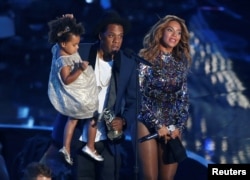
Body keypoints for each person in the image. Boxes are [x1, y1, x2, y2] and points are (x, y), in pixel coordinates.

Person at [43, 10, 138, 180]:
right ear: (101, 35)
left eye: (121, 36)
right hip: (80, 138)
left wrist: (123, 120)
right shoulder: (82, 52)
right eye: (111, 36)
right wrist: (65, 27)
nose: (117, 41)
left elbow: (133, 102)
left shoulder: (128, 63)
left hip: (108, 140)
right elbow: (59, 51)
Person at [137, 15, 192, 180]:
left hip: (173, 126)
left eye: (178, 32)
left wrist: (178, 126)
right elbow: (139, 96)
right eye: (170, 30)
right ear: (161, 32)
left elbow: (183, 99)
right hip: (147, 122)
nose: (175, 35)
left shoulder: (179, 64)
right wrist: (157, 124)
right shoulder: (145, 59)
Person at [47, 15, 103, 166]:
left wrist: (69, 21)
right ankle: (88, 146)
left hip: (79, 91)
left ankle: (68, 147)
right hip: (74, 95)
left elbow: (65, 32)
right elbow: (67, 80)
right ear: (64, 43)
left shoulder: (62, 48)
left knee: (75, 119)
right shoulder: (62, 59)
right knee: (92, 114)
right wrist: (79, 69)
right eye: (75, 45)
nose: (78, 48)